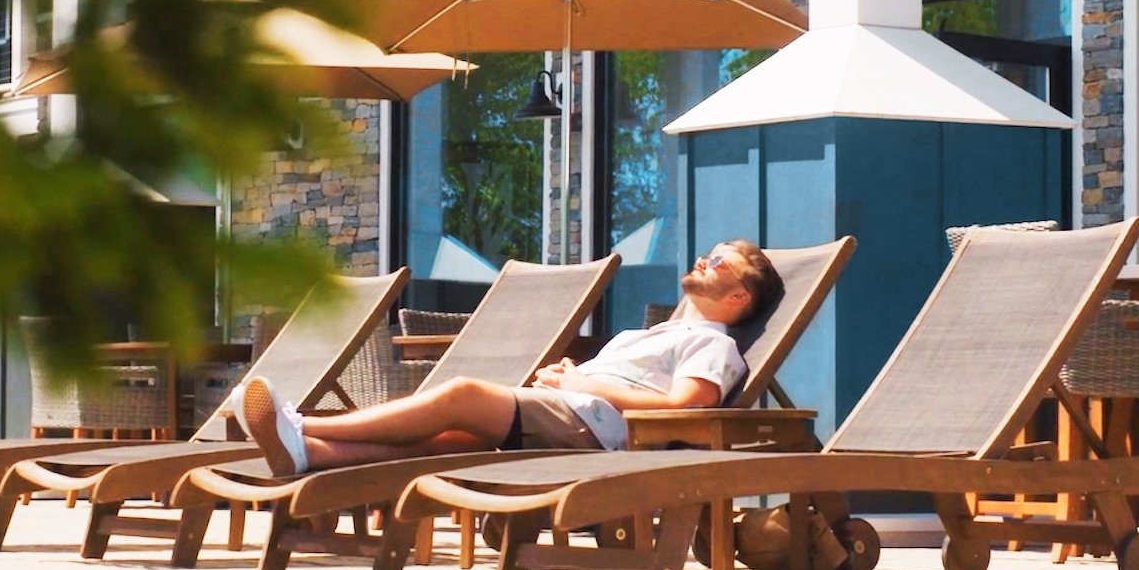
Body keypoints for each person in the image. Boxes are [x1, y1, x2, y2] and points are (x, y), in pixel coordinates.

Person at [239, 239, 783, 476]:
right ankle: (310, 452)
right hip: (572, 413)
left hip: (593, 428)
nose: (702, 261)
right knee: (451, 441)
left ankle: (302, 422)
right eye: (708, 255)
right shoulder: (657, 332)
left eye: (719, 263)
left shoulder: (715, 345)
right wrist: (569, 378)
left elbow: (682, 409)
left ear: (738, 298)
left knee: (461, 395)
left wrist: (584, 385)